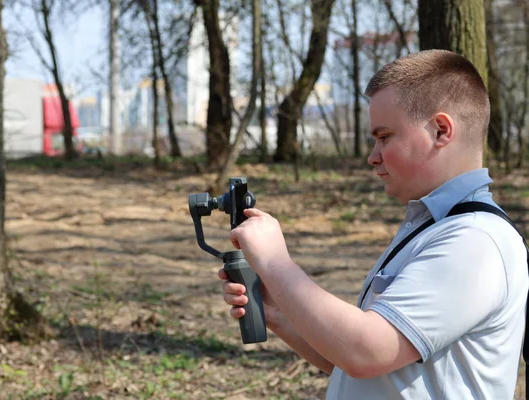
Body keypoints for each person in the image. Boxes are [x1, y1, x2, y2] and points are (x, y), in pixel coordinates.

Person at [219, 49, 528, 399]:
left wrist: (276, 264)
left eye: (384, 136)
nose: (372, 156)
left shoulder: (474, 241)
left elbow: (366, 352)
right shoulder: (432, 228)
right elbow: (359, 363)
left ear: (441, 130)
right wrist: (279, 313)